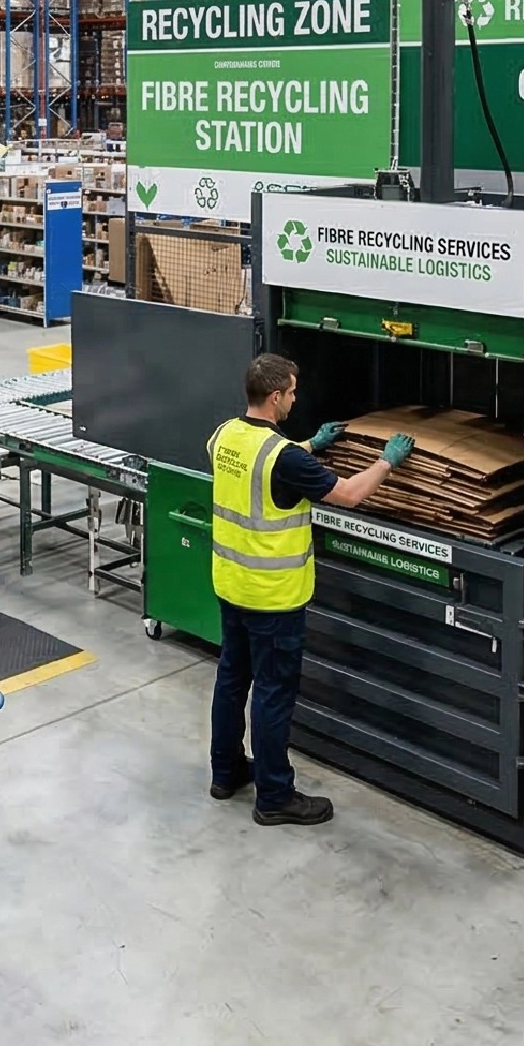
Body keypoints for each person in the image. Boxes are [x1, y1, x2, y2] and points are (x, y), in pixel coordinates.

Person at [207, 353, 413, 827]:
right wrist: (387, 461)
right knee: (273, 694)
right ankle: (275, 797)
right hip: (273, 596)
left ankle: (226, 773)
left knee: (232, 680)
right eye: (293, 393)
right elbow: (350, 494)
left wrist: (310, 445)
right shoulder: (284, 457)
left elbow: (261, 470)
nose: (296, 399)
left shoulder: (224, 436)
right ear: (276, 396)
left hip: (230, 584)